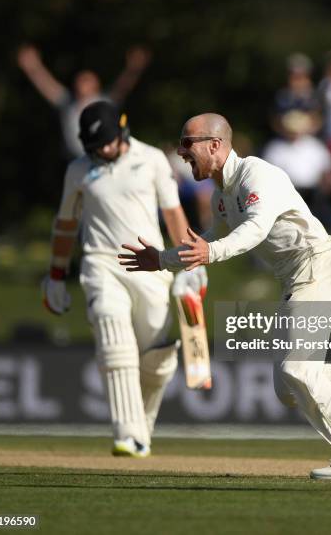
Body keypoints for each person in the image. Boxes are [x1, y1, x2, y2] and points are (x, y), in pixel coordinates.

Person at [118, 113, 331, 480]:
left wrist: (210, 253)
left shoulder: (256, 175)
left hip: (318, 268)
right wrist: (161, 260)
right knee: (289, 388)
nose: (182, 152)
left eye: (187, 144)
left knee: (296, 369)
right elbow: (208, 241)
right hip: (297, 279)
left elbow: (254, 229)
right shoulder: (221, 197)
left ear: (214, 145)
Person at [42, 100, 207, 457]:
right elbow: (66, 225)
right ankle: (127, 434)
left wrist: (189, 263)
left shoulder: (151, 159)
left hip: (150, 264)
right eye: (95, 146)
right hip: (101, 263)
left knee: (158, 358)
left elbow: (173, 213)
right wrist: (55, 275)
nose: (103, 150)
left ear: (123, 129)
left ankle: (141, 430)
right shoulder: (79, 170)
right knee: (113, 335)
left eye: (108, 142)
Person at [17, 44, 152, 159]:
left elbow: (123, 86)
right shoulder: (68, 103)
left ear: (96, 84)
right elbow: (47, 85)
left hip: (103, 159)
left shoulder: (104, 102)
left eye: (86, 80)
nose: (80, 83)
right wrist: (33, 66)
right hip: (76, 160)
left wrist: (134, 68)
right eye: (79, 80)